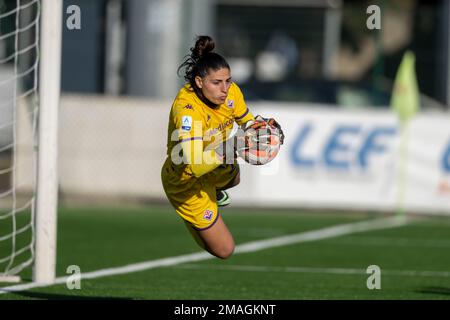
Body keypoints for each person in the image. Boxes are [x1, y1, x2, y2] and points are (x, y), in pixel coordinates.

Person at [161, 35, 284, 259]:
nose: (225, 88)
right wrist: (237, 143)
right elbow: (197, 165)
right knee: (225, 250)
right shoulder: (187, 110)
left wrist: (261, 130)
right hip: (185, 180)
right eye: (217, 83)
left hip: (215, 161)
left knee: (235, 178)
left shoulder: (231, 92)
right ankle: (192, 216)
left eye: (228, 80)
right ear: (199, 82)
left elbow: (246, 122)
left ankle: (215, 194)